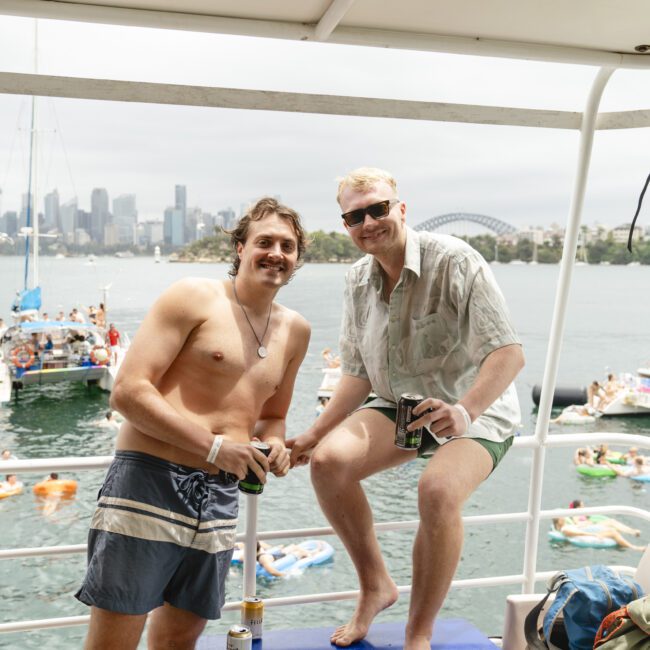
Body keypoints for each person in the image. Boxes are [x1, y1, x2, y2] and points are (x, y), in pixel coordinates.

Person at [288, 167, 524, 649]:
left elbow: (508, 353)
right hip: (400, 404)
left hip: (473, 408)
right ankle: (376, 585)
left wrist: (464, 411)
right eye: (355, 216)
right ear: (346, 225)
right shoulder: (357, 279)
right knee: (330, 464)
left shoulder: (455, 260)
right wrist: (312, 437)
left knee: (436, 490)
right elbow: (356, 375)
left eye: (378, 209)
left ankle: (419, 634)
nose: (369, 222)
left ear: (400, 208)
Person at [75, 197, 310, 650]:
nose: (276, 253)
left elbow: (273, 415)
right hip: (149, 481)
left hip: (220, 497)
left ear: (297, 257)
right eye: (265, 241)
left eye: (288, 245)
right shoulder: (194, 296)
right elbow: (129, 391)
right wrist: (215, 447)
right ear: (240, 247)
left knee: (180, 639)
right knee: (114, 640)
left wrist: (274, 444)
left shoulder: (295, 330)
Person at [552, 517, 645, 551]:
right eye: (561, 518)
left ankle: (632, 531)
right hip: (592, 532)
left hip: (591, 528)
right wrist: (593, 535)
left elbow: (579, 527)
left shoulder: (568, 525)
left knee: (611, 521)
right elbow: (579, 533)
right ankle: (635, 548)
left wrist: (586, 523)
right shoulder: (565, 530)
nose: (563, 518)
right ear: (558, 522)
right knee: (613, 532)